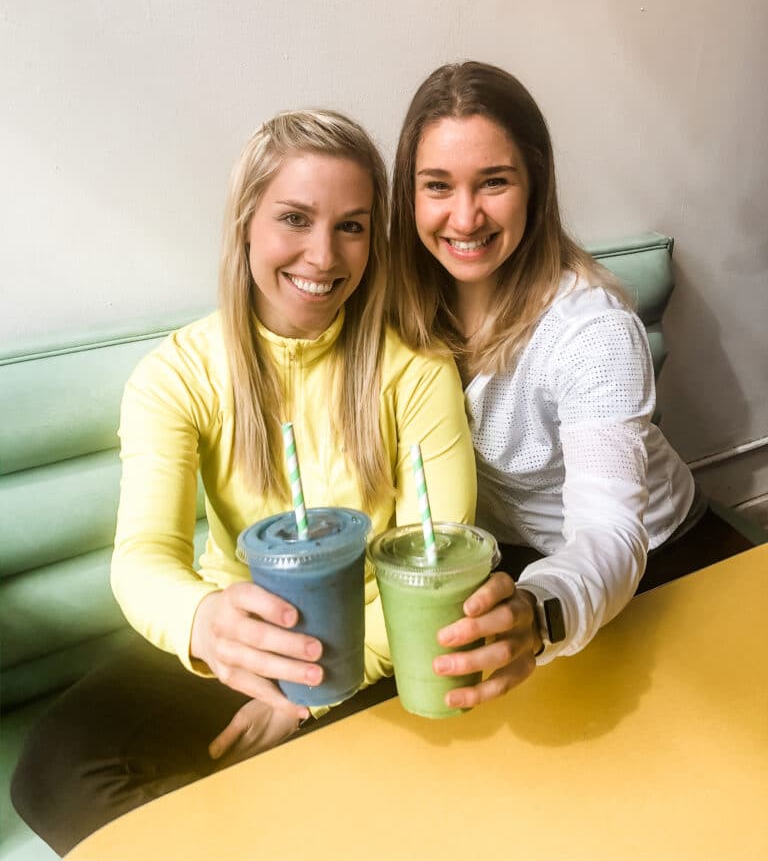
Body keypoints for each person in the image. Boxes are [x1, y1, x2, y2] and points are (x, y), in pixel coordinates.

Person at [11, 109, 477, 856]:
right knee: (53, 770)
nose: (323, 257)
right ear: (246, 225)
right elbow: (143, 558)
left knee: (389, 779)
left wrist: (308, 703)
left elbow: (432, 575)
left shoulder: (416, 371)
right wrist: (203, 625)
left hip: (375, 647)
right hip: (244, 631)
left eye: (352, 226)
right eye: (295, 218)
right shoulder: (177, 374)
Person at [387, 60, 753, 706]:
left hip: (658, 560)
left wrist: (541, 611)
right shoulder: (398, 309)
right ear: (407, 195)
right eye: (437, 186)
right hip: (514, 562)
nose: (465, 217)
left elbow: (611, 532)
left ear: (535, 184)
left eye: (494, 182)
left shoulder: (593, 329)